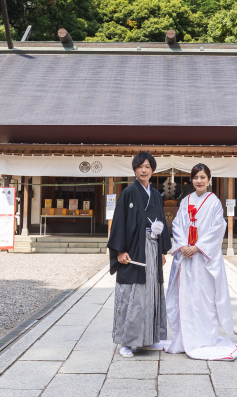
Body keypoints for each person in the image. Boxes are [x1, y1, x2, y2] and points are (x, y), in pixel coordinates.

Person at [165, 163, 237, 361]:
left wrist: (197, 247)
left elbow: (217, 228)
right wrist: (182, 245)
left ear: (209, 179)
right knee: (186, 297)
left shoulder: (214, 202)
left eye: (202, 177)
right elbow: (178, 224)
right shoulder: (185, 201)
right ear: (191, 180)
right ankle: (184, 338)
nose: (199, 181)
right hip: (186, 257)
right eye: (196, 177)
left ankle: (205, 338)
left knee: (205, 298)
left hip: (202, 258)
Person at [107, 151, 172, 358]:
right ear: (134, 170)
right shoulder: (128, 192)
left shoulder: (155, 195)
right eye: (140, 166)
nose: (144, 170)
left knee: (150, 292)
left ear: (152, 170)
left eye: (148, 166)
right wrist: (120, 250)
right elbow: (119, 222)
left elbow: (161, 220)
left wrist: (162, 250)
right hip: (134, 248)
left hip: (152, 250)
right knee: (132, 294)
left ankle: (148, 338)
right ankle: (126, 342)